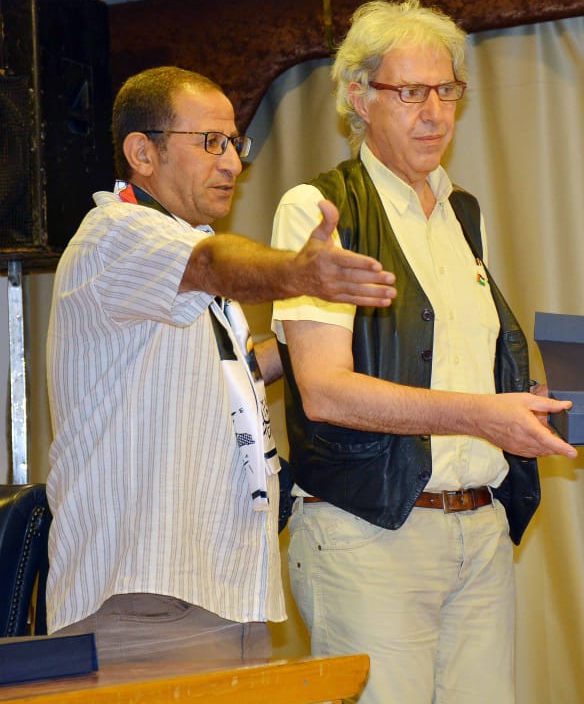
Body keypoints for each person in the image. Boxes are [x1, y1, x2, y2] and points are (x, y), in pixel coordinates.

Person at [270, 0, 576, 704]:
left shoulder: (464, 211)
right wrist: (482, 415)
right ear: (359, 98)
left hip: (480, 528)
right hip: (370, 533)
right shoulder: (319, 210)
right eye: (410, 93)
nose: (435, 113)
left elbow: (466, 365)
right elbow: (324, 390)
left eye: (447, 91)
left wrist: (529, 407)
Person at [45, 66, 397, 664]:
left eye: (235, 143)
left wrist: (311, 344)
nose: (233, 162)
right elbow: (213, 263)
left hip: (226, 585)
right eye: (211, 142)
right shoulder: (116, 232)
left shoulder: (176, 249)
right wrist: (298, 273)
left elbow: (226, 376)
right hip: (146, 593)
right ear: (142, 152)